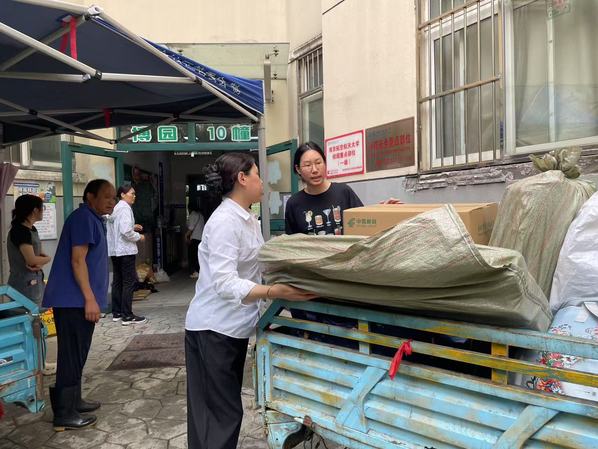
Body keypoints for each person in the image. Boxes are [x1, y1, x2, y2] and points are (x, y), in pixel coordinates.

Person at [185, 153, 317, 449]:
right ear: (242, 179)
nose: (262, 181)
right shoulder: (224, 222)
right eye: (257, 174)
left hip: (233, 328)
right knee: (219, 414)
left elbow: (258, 265)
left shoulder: (247, 219)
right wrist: (275, 292)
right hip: (213, 329)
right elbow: (224, 282)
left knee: (223, 411)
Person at [42, 179, 116, 432]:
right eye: (106, 196)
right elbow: (77, 260)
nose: (111, 201)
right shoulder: (84, 218)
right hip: (73, 301)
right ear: (90, 197)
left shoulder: (93, 219)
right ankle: (64, 413)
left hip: (77, 300)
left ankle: (74, 402)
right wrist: (90, 299)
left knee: (78, 353)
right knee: (71, 355)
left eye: (114, 197)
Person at [7, 195, 54, 374]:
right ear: (35, 210)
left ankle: (40, 363)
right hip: (23, 286)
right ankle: (34, 366)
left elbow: (39, 257)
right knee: (29, 326)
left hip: (34, 282)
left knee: (36, 324)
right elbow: (33, 260)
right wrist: (45, 260)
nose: (43, 211)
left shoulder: (31, 229)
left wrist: (42, 260)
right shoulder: (20, 231)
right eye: (42, 208)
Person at [285, 141, 363, 235]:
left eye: (318, 163)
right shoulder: (293, 203)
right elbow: (291, 240)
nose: (314, 170)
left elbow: (363, 222)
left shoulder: (344, 192)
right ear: (298, 169)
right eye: (308, 165)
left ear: (325, 163)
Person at [106, 185, 147, 325]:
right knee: (128, 282)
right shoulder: (125, 208)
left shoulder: (117, 207)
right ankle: (127, 315)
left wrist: (133, 226)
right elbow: (125, 231)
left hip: (115, 251)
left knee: (118, 280)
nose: (134, 196)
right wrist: (139, 237)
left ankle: (117, 312)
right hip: (125, 250)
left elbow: (118, 225)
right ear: (123, 194)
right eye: (132, 193)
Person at [185, 199, 205, 279]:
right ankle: (200, 271)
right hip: (201, 238)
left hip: (195, 239)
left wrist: (186, 235)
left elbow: (191, 228)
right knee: (198, 256)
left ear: (189, 208)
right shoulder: (201, 215)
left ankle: (195, 272)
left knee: (193, 256)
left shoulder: (193, 215)